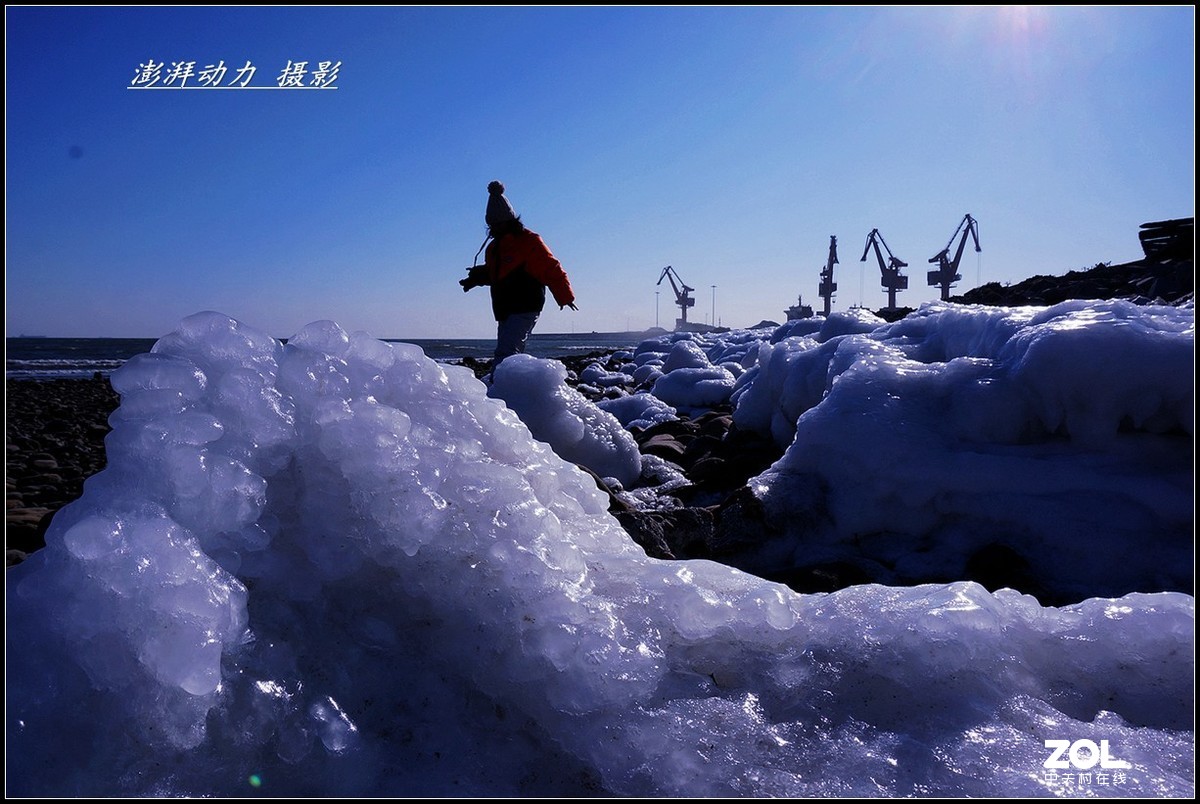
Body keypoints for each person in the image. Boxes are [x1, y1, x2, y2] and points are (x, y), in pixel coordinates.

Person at [460, 181, 577, 369]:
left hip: (526, 305)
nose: (495, 228)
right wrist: (475, 279)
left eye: (498, 223)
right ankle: (515, 380)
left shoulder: (528, 241)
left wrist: (565, 296)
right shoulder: (494, 248)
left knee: (507, 351)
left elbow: (551, 268)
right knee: (508, 349)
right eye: (492, 224)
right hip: (504, 308)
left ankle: (501, 384)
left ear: (509, 220)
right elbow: (496, 274)